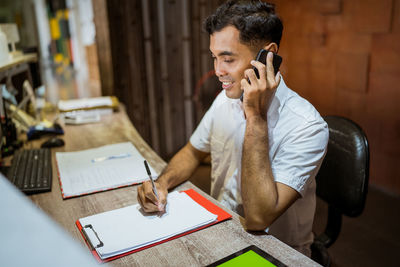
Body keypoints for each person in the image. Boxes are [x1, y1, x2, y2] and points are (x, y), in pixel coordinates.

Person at [137, 0, 328, 257]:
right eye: (214, 58)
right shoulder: (225, 100)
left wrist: (255, 117)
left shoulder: (306, 126)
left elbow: (259, 219)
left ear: (267, 55)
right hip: (222, 230)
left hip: (276, 253)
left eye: (228, 59)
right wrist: (161, 183)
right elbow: (193, 152)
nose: (217, 71)